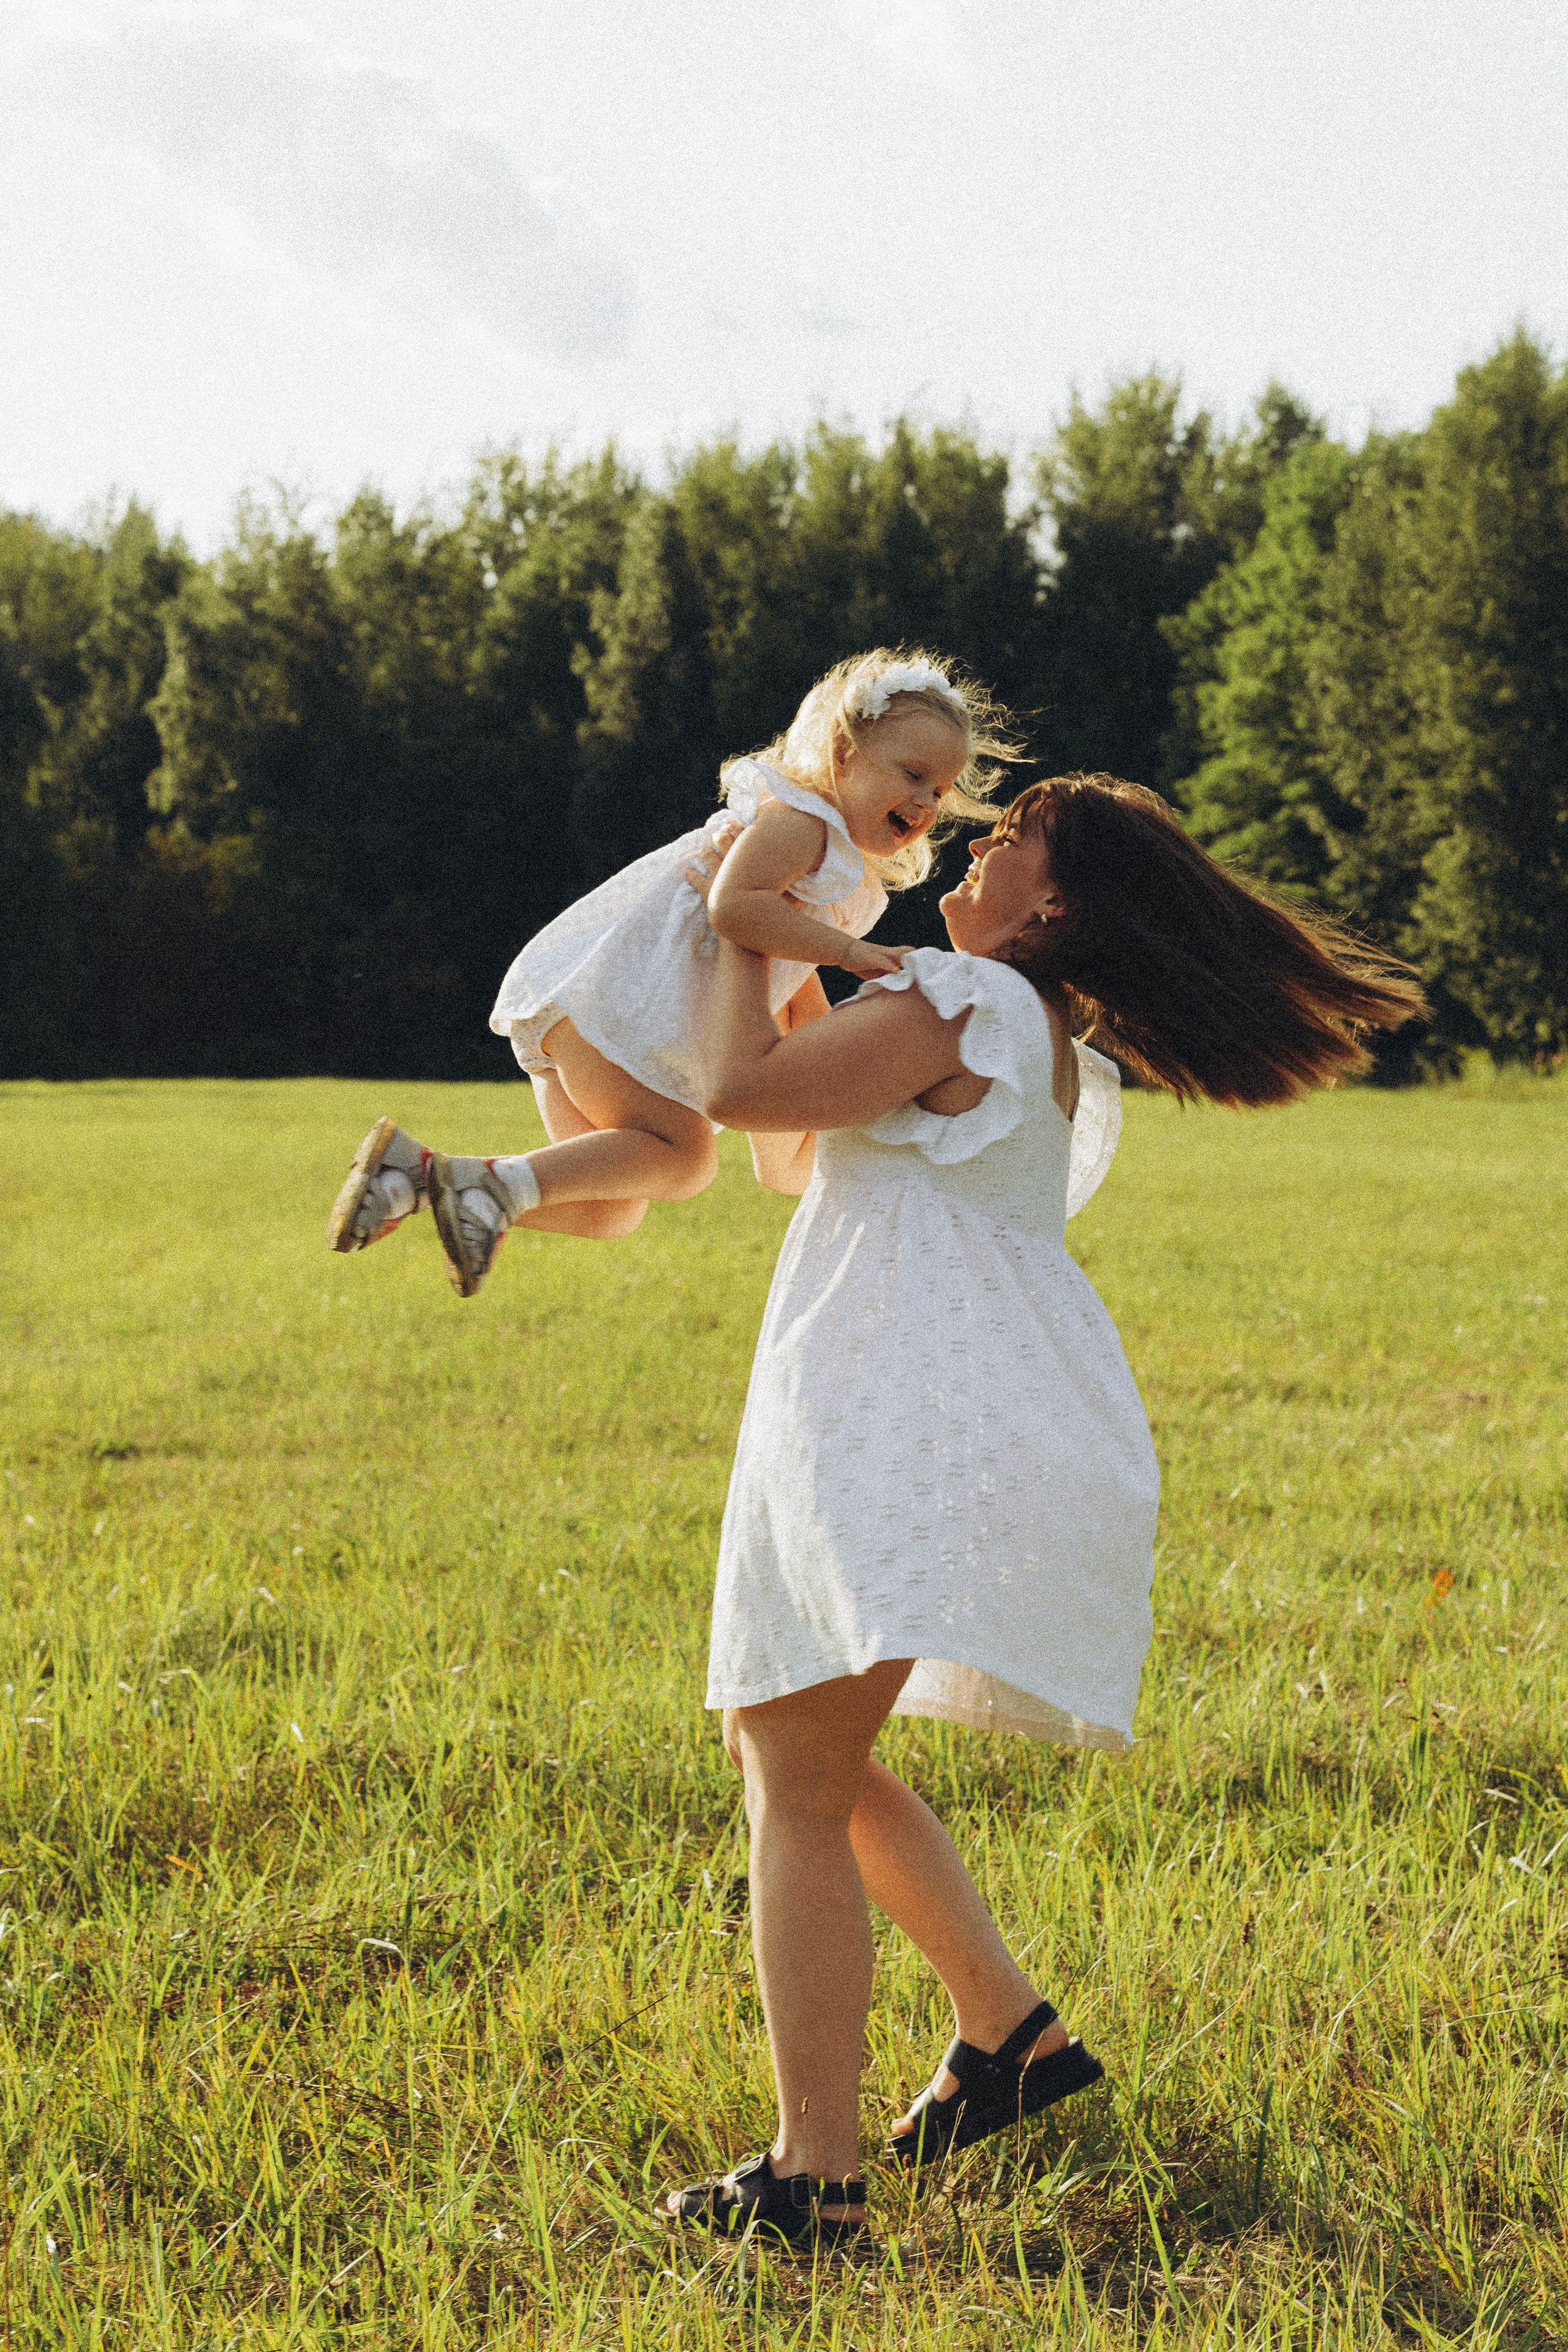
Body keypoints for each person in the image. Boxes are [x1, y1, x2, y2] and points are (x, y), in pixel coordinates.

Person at [660, 772, 1425, 2260]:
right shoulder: (1046, 1042)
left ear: (1053, 900)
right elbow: (792, 1145)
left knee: (796, 1775)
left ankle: (812, 2182)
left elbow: (737, 1090)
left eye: (1007, 837)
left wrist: (740, 902)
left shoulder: (956, 999)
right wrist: (787, 944)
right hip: (934, 1401)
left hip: (897, 1410)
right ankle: (1007, 2031)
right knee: (791, 1743)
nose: (972, 842)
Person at [325, 650, 1020, 1295]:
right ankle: (483, 1190)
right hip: (612, 1007)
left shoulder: (829, 873)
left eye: (941, 786)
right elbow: (735, 907)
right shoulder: (801, 824)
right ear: (842, 756)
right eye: (910, 774)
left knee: (610, 1211)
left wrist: (838, 1108)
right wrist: (851, 955)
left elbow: (790, 1005)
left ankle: (417, 1180)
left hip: (590, 1014)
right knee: (684, 1160)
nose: (928, 800)